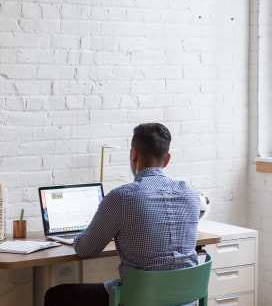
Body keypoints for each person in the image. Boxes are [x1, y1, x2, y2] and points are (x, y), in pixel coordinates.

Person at [44, 123, 201, 306]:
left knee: (57, 295)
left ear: (133, 154)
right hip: (185, 299)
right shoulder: (191, 194)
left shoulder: (122, 197)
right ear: (167, 160)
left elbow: (86, 249)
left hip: (140, 299)